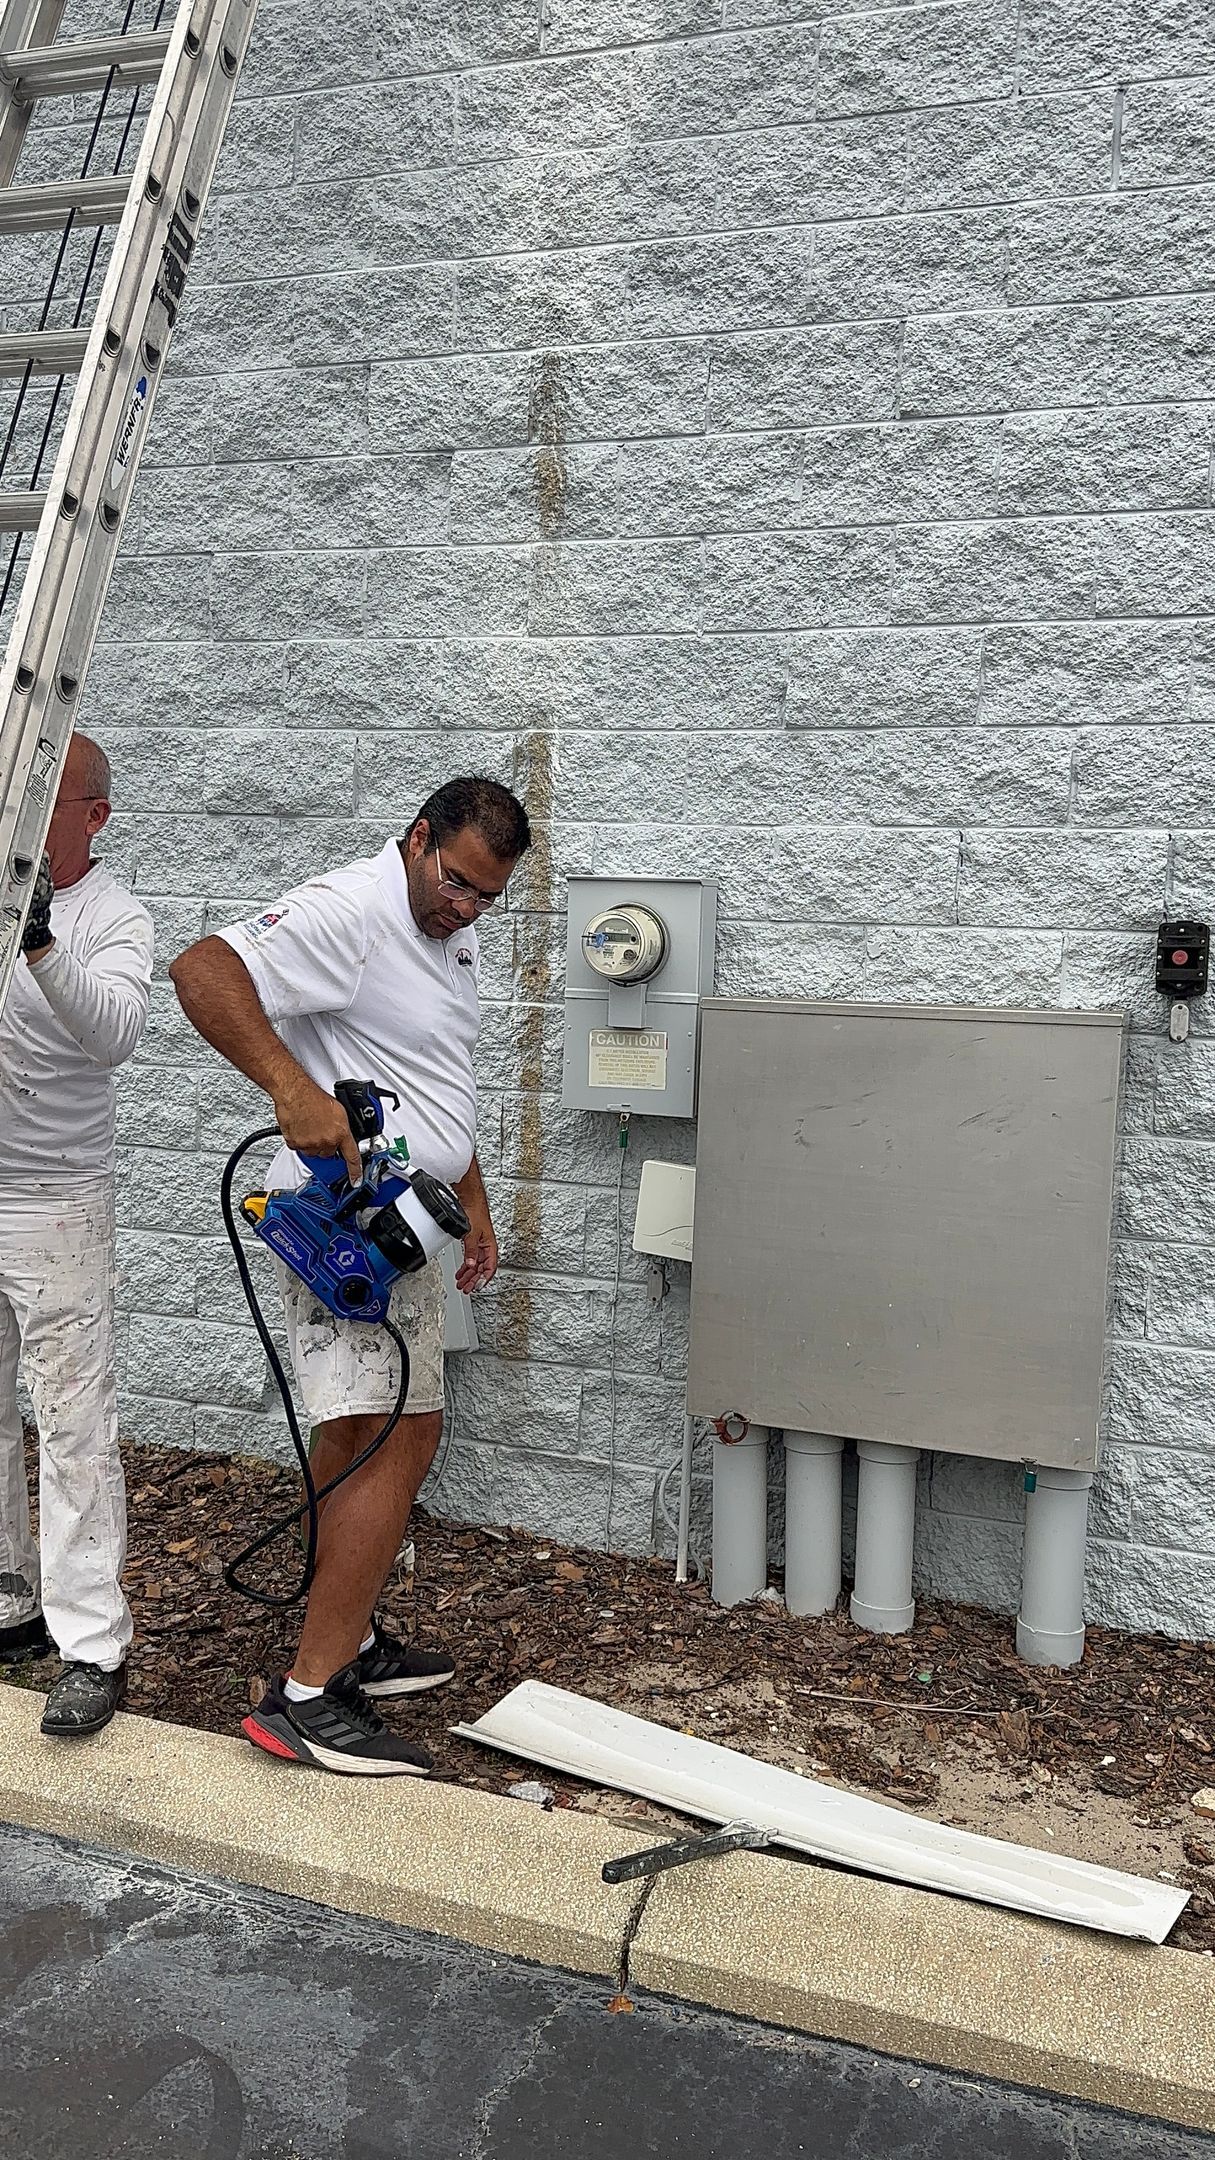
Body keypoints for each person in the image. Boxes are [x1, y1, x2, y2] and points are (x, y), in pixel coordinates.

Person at [169, 775, 531, 1777]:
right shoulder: (352, 912)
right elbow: (202, 969)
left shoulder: (444, 935)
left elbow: (434, 1077)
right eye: (456, 882)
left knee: (365, 1433)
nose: (468, 908)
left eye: (488, 896)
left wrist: (475, 1200)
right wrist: (290, 1087)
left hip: (410, 1223)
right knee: (389, 1436)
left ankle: (353, 1637)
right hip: (349, 1225)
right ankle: (309, 1695)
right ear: (416, 838)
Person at [0, 733, 154, 1735]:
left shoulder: (114, 916)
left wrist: (43, 946)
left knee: (72, 1424)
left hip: (55, 1200)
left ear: (92, 816)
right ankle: (9, 1598)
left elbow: (115, 1033)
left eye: (40, 796)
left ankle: (92, 1644)